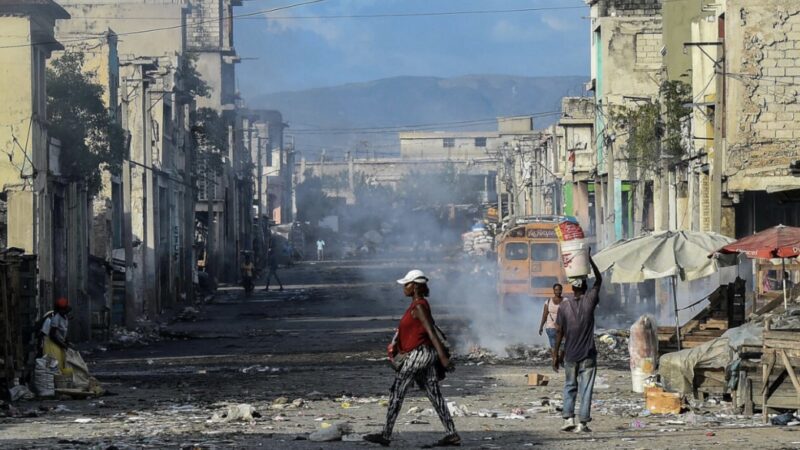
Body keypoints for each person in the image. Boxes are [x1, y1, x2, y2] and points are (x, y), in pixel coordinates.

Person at [364, 270, 460, 447]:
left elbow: (431, 332)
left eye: (407, 284)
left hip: (418, 355)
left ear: (415, 286)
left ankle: (385, 434)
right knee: (434, 394)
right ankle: (452, 433)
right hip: (424, 355)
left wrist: (443, 357)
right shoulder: (419, 305)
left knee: (397, 392)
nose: (404, 288)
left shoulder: (419, 307)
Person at [553, 251, 602, 433]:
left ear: (572, 288)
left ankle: (568, 419)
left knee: (569, 385)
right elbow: (599, 280)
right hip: (588, 354)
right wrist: (590, 260)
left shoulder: (564, 305)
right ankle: (582, 423)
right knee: (586, 389)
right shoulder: (590, 300)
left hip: (570, 355)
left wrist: (556, 355)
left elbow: (559, 332)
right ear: (585, 286)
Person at [40, 297, 73, 376]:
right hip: (52, 344)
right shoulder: (55, 318)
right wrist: (63, 345)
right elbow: (52, 335)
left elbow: (64, 331)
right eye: (64, 310)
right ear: (59, 310)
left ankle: (59, 381)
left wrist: (66, 341)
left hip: (59, 342)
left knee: (61, 364)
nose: (65, 312)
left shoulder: (64, 317)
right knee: (54, 365)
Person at [538, 283, 564, 349]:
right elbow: (544, 315)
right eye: (556, 290)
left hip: (562, 328)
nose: (558, 291)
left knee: (559, 347)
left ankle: (556, 358)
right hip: (551, 328)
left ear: (562, 290)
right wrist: (541, 327)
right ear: (553, 291)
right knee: (557, 347)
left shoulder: (566, 301)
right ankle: (556, 358)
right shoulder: (548, 301)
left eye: (559, 290)